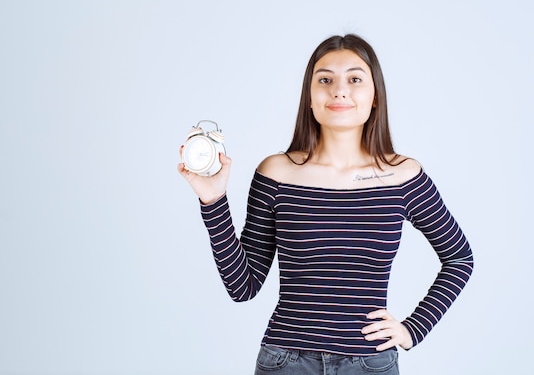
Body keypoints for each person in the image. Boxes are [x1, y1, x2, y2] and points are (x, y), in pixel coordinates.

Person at [178, 34, 474, 375]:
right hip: (286, 361)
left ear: (375, 96)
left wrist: (413, 329)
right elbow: (242, 287)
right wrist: (213, 200)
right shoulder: (276, 173)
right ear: (310, 97)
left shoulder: (403, 176)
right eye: (325, 79)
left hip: (369, 364)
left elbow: (459, 257)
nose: (339, 90)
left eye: (355, 78)